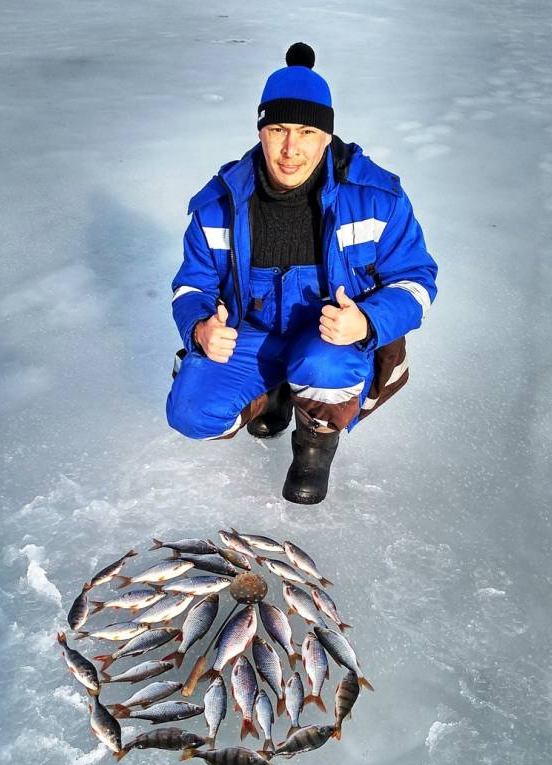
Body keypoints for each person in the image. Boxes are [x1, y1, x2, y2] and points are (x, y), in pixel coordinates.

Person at [167, 42, 438, 505]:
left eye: (307, 131)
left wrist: (367, 322)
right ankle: (272, 389)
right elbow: (192, 284)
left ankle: (314, 442)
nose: (291, 149)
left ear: (327, 135)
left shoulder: (376, 196)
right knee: (191, 413)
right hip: (255, 333)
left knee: (324, 363)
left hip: (328, 340)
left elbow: (417, 278)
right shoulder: (219, 202)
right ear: (261, 131)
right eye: (278, 129)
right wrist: (199, 327)